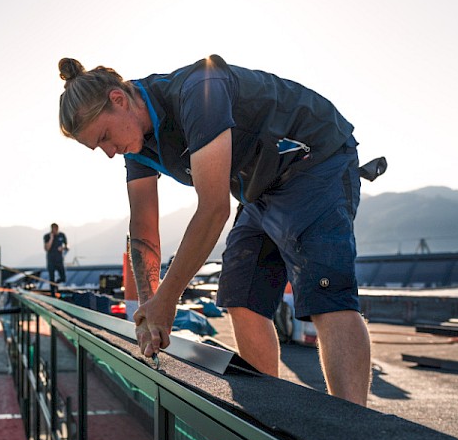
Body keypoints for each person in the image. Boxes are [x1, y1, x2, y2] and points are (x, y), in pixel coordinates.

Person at [58, 55, 371, 406]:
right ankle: (271, 416)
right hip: (260, 188)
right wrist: (150, 311)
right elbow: (143, 230)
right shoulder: (138, 146)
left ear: (119, 99)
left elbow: (213, 209)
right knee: (241, 293)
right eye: (98, 148)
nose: (110, 153)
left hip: (315, 158)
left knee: (325, 291)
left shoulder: (198, 91)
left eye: (104, 137)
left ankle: (351, 432)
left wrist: (168, 298)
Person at [43, 223, 68, 294]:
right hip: (51, 260)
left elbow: (67, 245)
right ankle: (52, 293)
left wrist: (63, 247)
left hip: (59, 260)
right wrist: (51, 238)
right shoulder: (47, 236)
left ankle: (56, 284)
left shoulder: (62, 235)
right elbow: (47, 248)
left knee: (63, 278)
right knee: (51, 278)